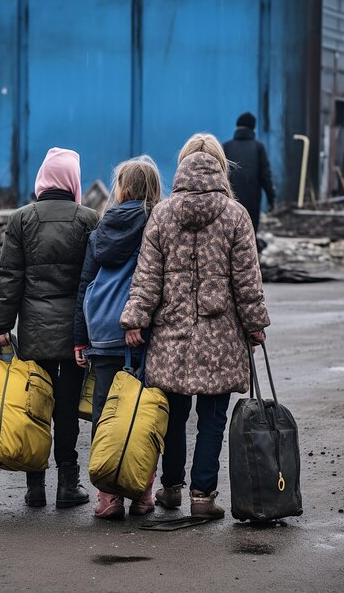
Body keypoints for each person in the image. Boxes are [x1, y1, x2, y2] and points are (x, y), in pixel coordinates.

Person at [121, 133, 270, 519]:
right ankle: (202, 497)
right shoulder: (236, 214)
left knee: (172, 415)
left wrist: (136, 317)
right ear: (221, 166)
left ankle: (171, 489)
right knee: (212, 420)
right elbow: (247, 280)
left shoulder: (163, 213)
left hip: (170, 335)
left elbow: (148, 275)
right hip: (221, 337)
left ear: (183, 164)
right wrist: (255, 325)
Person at [0, 147, 98, 508]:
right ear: (72, 180)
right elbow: (94, 279)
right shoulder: (88, 219)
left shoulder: (21, 219)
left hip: (34, 333)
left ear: (43, 179)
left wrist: (2, 325)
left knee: (33, 405)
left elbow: (9, 276)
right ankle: (68, 484)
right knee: (66, 407)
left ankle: (34, 487)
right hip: (73, 334)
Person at [74, 155, 162, 520]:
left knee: (104, 413)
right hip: (141, 332)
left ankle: (107, 496)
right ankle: (141, 492)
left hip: (102, 332)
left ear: (121, 190)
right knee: (143, 410)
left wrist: (80, 337)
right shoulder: (157, 226)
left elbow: (84, 285)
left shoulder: (101, 229)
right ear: (154, 190)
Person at [223, 112, 276, 233]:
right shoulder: (258, 147)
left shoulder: (226, 147)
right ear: (253, 129)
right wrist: (271, 199)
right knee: (249, 232)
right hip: (252, 200)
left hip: (229, 199)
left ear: (237, 127)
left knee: (230, 232)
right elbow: (265, 177)